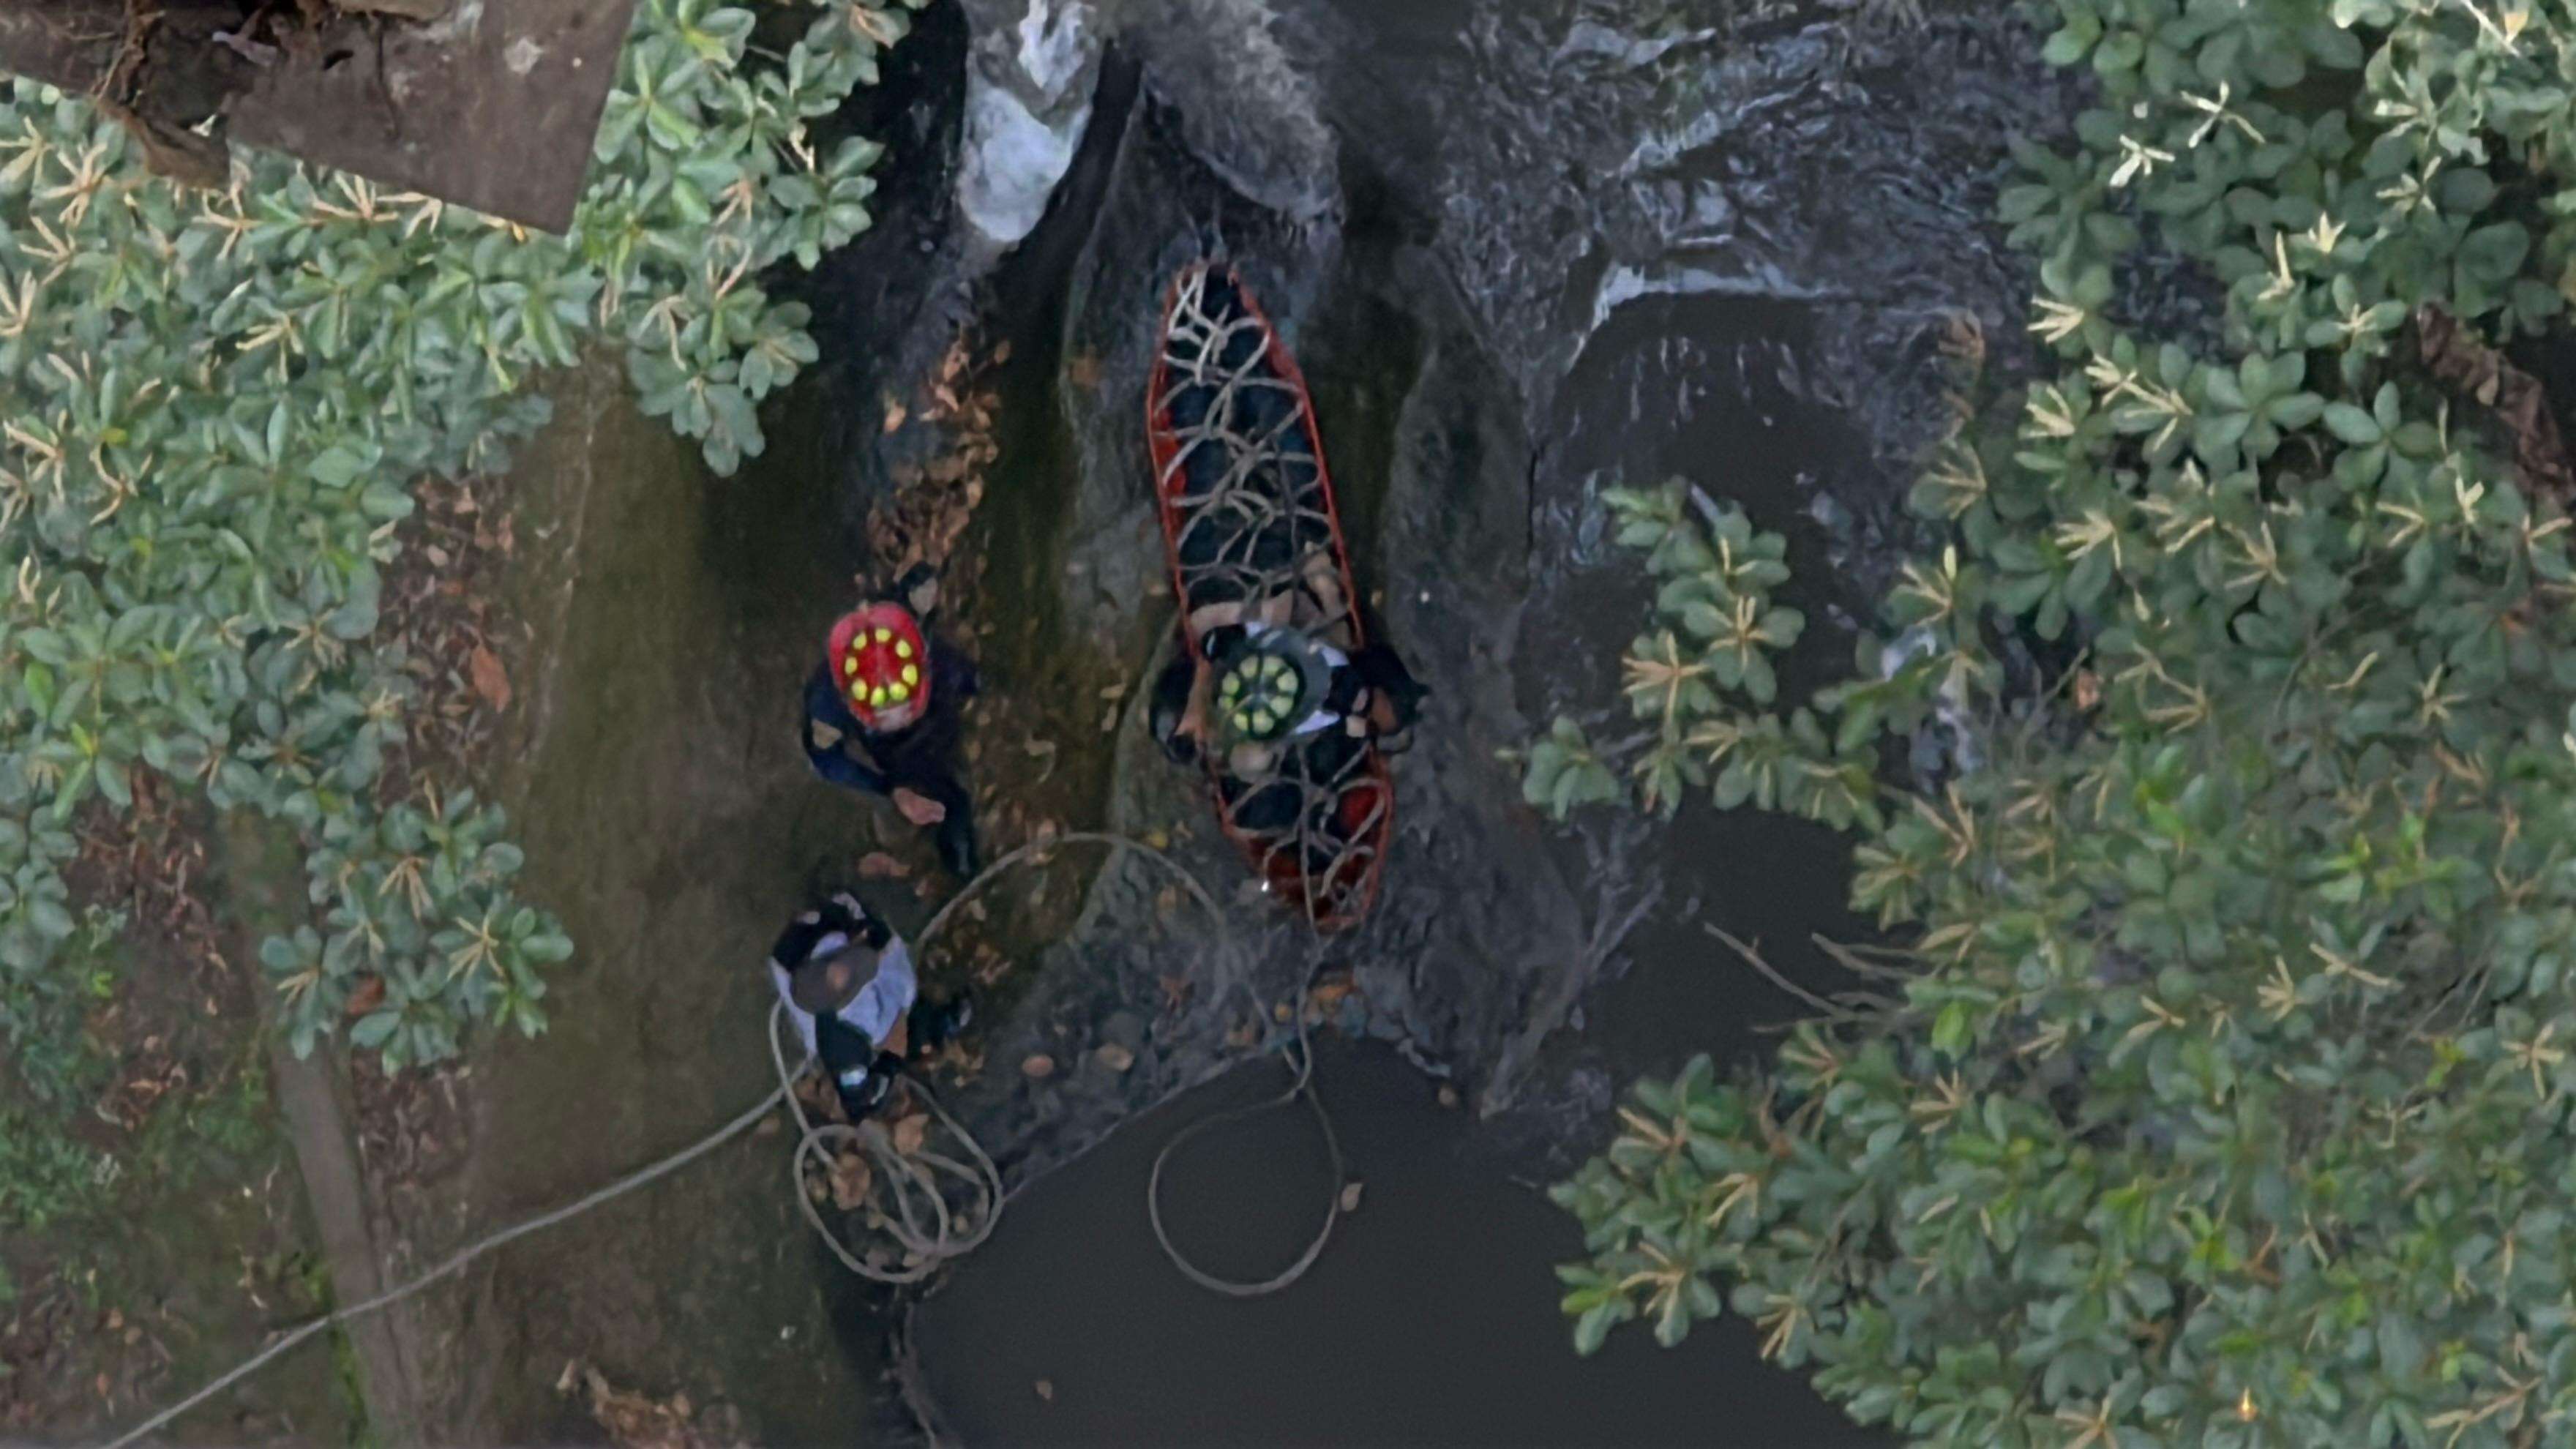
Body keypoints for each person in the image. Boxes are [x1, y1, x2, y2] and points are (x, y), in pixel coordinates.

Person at [803, 566, 982, 877]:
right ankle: (960, 861)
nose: (900, 715)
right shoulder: (826, 706)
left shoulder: (915, 632)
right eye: (886, 707)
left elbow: (922, 582)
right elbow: (827, 761)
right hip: (894, 751)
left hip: (937, 686)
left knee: (964, 679)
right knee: (946, 796)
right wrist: (889, 788)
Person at [765, 891, 970, 1121]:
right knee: (902, 999)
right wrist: (891, 1062)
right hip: (865, 1021)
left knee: (897, 985)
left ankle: (924, 1023)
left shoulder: (828, 941)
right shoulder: (843, 1045)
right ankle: (927, 1028)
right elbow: (859, 1102)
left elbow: (874, 940)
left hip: (811, 952)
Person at [1149, 616, 1424, 778]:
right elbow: (1216, 642)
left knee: (1252, 761)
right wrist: (1197, 704)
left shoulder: (1332, 709)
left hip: (1250, 698)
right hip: (1233, 671)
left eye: (1371, 723)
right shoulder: (1314, 660)